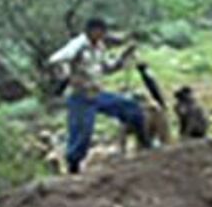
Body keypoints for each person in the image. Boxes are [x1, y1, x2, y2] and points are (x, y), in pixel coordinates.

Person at [48, 17, 150, 174]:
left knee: (131, 109)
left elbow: (107, 68)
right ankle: (73, 168)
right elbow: (56, 59)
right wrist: (66, 74)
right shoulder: (79, 44)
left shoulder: (99, 47)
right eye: (101, 32)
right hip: (80, 96)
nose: (102, 35)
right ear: (92, 31)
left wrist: (123, 58)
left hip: (97, 93)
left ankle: (146, 145)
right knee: (82, 135)